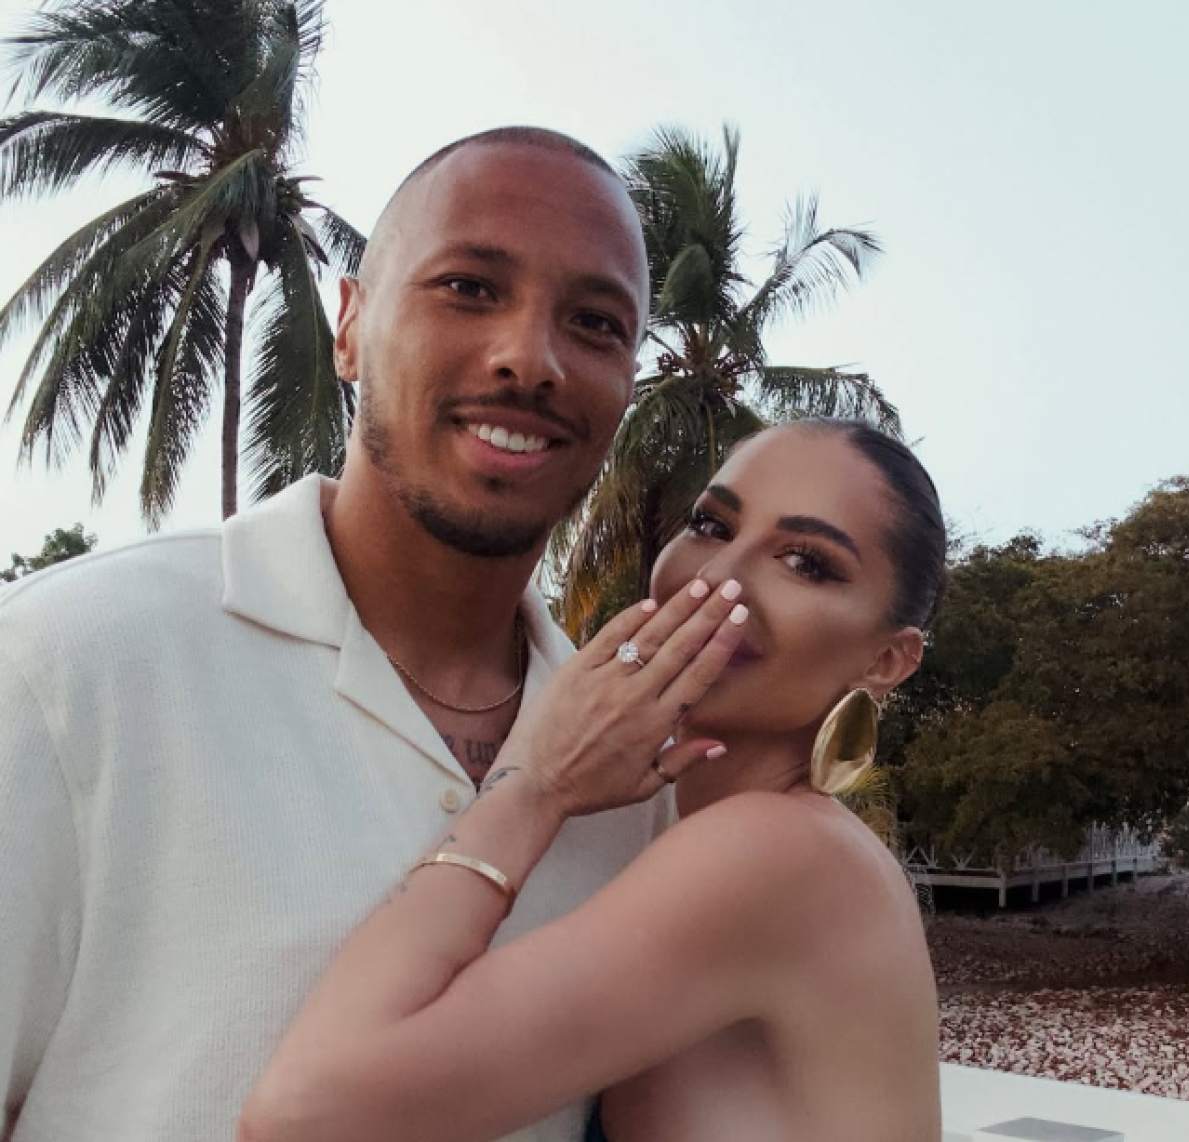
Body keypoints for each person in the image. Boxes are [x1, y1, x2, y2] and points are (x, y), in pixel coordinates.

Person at [0, 127, 681, 1142]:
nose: (529, 359)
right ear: (351, 326)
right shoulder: (74, 658)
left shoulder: (631, 778)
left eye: (594, 323)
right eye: (469, 288)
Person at [239, 418, 948, 1142]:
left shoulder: (781, 852)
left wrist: (533, 782)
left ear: (886, 661)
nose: (715, 579)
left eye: (805, 562)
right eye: (712, 525)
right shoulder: (706, 832)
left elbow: (304, 1117)